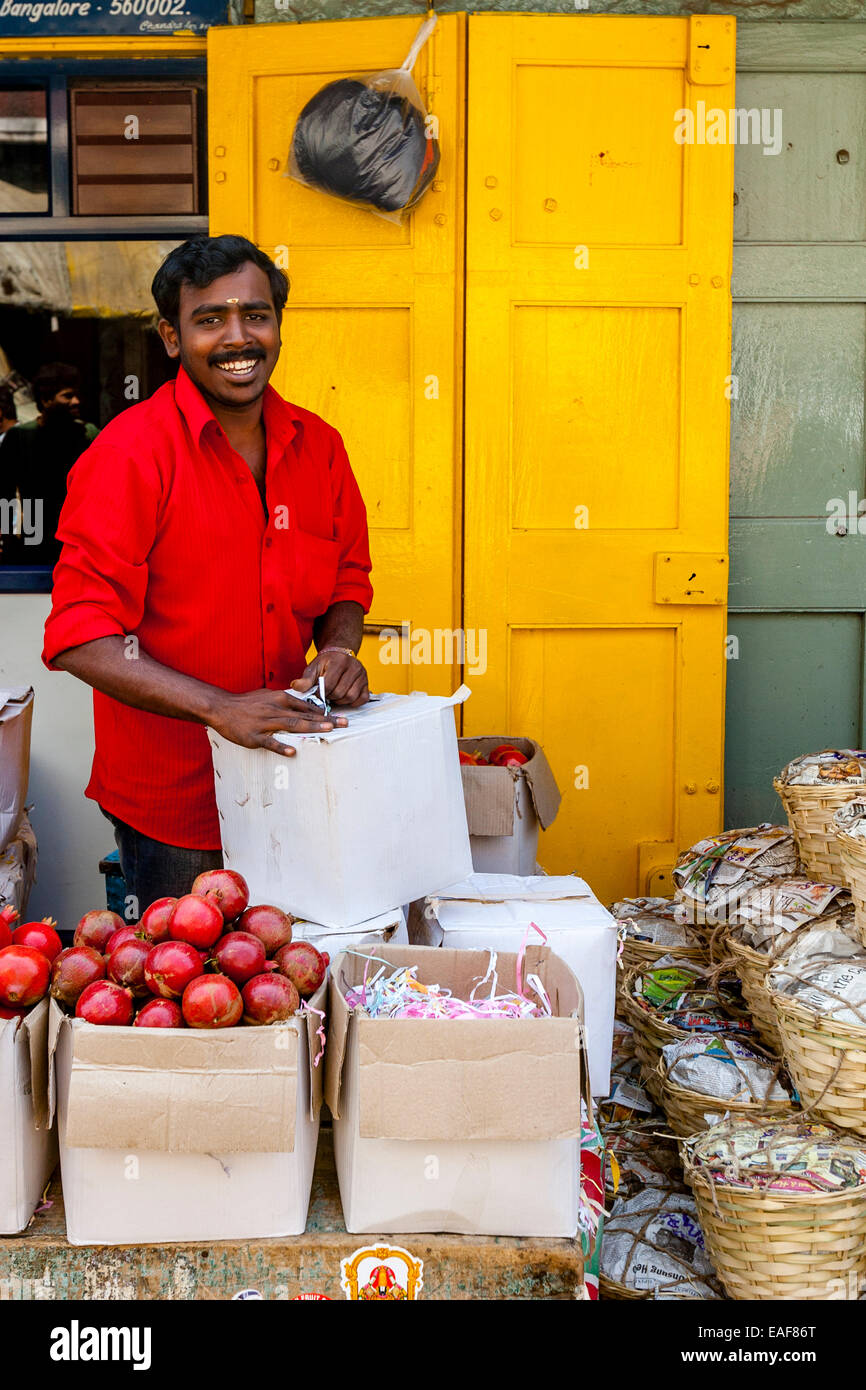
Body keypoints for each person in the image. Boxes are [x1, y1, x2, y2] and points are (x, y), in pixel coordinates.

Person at [42, 234, 373, 910]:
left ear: (277, 327)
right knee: (192, 993)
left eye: (255, 314)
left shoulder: (321, 447)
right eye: (209, 319)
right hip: (176, 809)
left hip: (295, 776)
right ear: (171, 337)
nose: (237, 337)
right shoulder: (128, 456)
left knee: (292, 979)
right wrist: (217, 707)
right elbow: (78, 634)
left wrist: (339, 648)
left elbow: (347, 579)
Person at [6, 362, 99, 567]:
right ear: (46, 400)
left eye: (76, 395)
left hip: (78, 537)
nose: (76, 401)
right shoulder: (19, 438)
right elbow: (5, 493)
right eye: (67, 396)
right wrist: (6, 536)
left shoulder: (88, 434)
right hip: (34, 532)